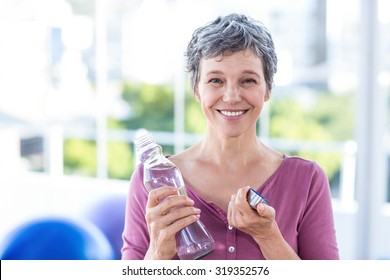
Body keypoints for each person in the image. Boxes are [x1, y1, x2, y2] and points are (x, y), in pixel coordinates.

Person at [121, 13, 339, 260]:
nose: (232, 96)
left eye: (248, 80)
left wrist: (269, 237)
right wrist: (159, 252)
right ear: (197, 89)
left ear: (267, 88)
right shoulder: (152, 181)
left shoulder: (307, 180)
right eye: (215, 80)